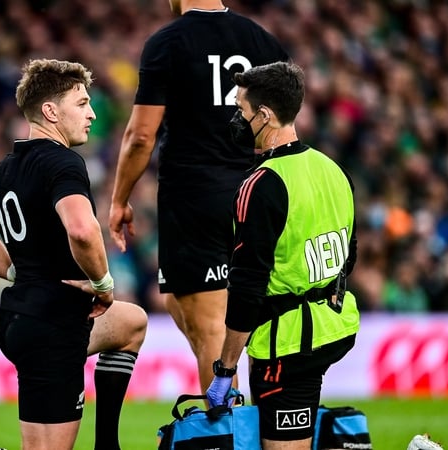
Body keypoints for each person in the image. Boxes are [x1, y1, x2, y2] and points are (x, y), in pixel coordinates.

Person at [0, 59, 147, 450]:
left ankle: (107, 443)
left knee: (131, 322)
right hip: (52, 325)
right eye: (82, 103)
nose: (92, 113)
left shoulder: (7, 168)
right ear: (50, 111)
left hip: (20, 316)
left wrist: (17, 271)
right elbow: (81, 229)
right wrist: (103, 284)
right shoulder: (63, 163)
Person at [108, 0, 288, 394]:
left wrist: (120, 198)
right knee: (189, 304)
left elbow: (141, 136)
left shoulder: (168, 42)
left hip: (194, 198)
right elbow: (284, 127)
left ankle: (230, 435)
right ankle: (259, 425)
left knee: (211, 332)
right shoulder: (264, 41)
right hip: (256, 193)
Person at [205, 62, 360, 450]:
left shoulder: (261, 184)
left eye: (241, 110)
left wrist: (225, 368)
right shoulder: (333, 169)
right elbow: (349, 254)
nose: (237, 119)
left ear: (265, 115)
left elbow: (246, 286)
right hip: (335, 326)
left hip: (287, 344)